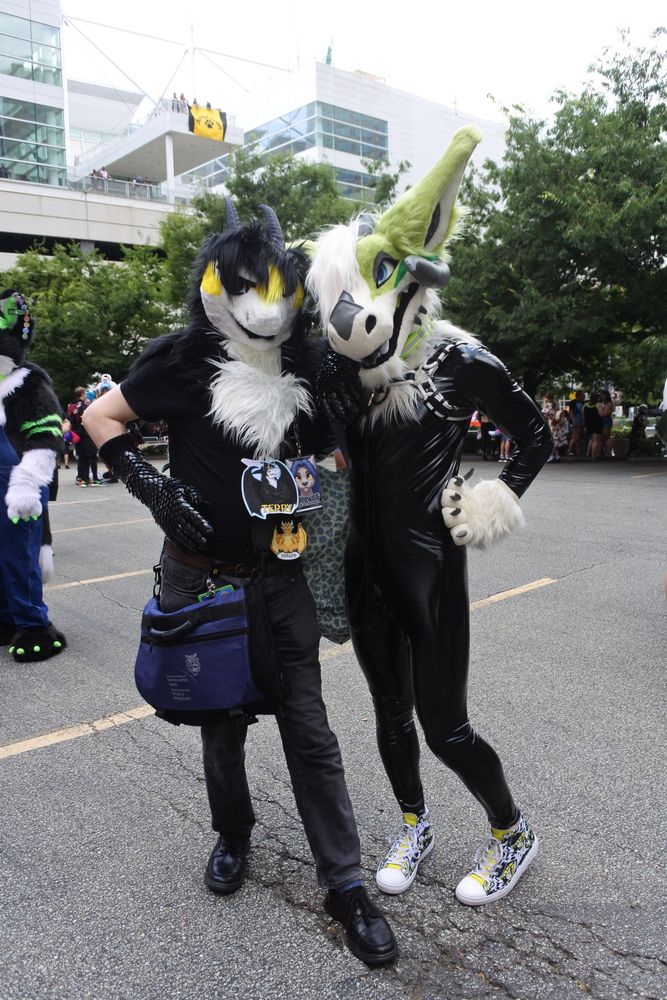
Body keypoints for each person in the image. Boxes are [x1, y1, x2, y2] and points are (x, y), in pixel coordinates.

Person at [83, 200, 397, 967]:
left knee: (310, 733)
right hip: (197, 578)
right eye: (246, 285)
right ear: (214, 284)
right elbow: (99, 418)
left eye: (278, 288)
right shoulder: (182, 360)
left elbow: (341, 446)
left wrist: (343, 475)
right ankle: (233, 833)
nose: (263, 305)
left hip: (278, 573)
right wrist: (150, 487)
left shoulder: (305, 365)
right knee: (219, 725)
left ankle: (344, 883)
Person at [309, 126, 551, 908]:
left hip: (430, 570)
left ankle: (511, 832)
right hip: (363, 569)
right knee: (387, 717)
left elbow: (535, 433)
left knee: (444, 725)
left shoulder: (458, 360)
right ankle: (413, 824)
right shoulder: (345, 374)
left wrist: (497, 498)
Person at [0, 289, 66, 662]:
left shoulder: (28, 382)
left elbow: (45, 435)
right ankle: (6, 617)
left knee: (18, 555)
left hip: (17, 484)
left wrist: (27, 483)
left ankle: (34, 623)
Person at [68, 387, 101, 486]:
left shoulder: (71, 406)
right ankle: (94, 478)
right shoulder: (83, 407)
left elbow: (70, 419)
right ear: (82, 394)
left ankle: (81, 477)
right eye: (85, 392)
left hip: (76, 435)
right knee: (92, 456)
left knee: (82, 456)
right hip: (85, 434)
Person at [583, 391, 603, 460]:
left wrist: (585, 424)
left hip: (588, 424)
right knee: (596, 440)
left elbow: (583, 415)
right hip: (597, 424)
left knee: (591, 439)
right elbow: (601, 414)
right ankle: (593, 455)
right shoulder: (598, 405)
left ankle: (588, 453)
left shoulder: (585, 405)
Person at [567, 389, 586, 457]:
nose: (584, 396)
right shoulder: (573, 402)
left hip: (580, 421)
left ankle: (578, 452)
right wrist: (573, 420)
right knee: (575, 437)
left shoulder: (583, 402)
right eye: (583, 394)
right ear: (579, 395)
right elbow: (571, 412)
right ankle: (569, 450)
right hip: (575, 421)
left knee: (577, 438)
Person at [598, 390, 614, 456]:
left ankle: (609, 452)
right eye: (602, 395)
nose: (603, 396)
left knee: (606, 436)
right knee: (601, 437)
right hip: (600, 420)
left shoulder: (609, 403)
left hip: (607, 420)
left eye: (604, 395)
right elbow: (599, 412)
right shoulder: (599, 403)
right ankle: (602, 452)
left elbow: (606, 413)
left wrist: (602, 412)